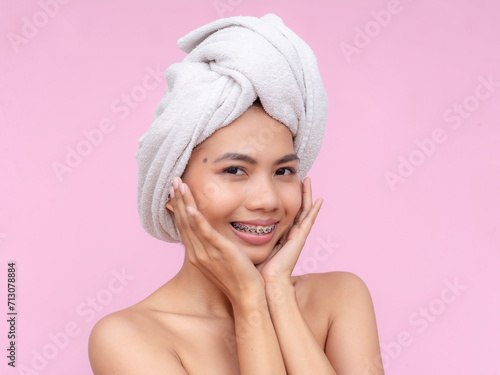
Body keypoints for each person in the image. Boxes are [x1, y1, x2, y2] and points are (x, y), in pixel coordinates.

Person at [88, 14, 384, 375]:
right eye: (234, 170)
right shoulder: (129, 338)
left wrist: (276, 293)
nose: (267, 200)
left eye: (283, 171)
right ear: (172, 187)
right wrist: (250, 303)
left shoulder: (341, 298)